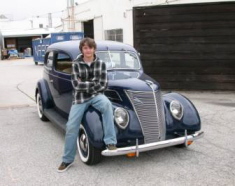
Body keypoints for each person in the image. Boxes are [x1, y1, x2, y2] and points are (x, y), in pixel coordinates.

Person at [57, 38, 117, 173]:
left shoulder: (101, 63)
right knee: (71, 126)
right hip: (80, 99)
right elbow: (76, 85)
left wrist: (85, 82)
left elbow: (104, 84)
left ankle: (110, 141)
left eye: (90, 47)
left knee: (107, 105)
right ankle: (67, 159)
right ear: (82, 50)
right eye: (85, 48)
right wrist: (93, 83)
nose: (88, 50)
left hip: (97, 96)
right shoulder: (76, 64)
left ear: (94, 49)